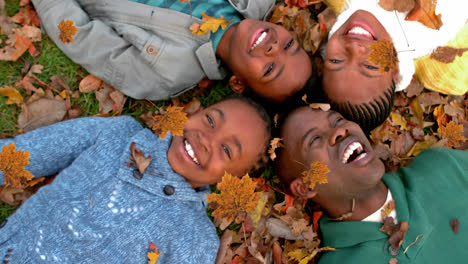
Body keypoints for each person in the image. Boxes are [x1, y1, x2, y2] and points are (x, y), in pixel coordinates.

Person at [0, 95, 272, 263]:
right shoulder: (119, 134)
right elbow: (30, 152)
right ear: (194, 114)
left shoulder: (197, 241)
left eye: (226, 150)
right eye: (211, 121)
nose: (206, 139)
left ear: (232, 180)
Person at [276, 106, 468, 264]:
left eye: (338, 120)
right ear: (306, 187)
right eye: (315, 139)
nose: (339, 130)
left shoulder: (441, 166)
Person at [31, 0, 313, 103]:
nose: (275, 48)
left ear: (238, 83)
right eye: (289, 45)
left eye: (270, 68)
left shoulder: (166, 74)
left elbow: (80, 37)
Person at [320, 0, 468, 132]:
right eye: (370, 66)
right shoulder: (432, 35)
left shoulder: (343, 6)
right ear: (395, 68)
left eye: (336, 61)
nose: (354, 48)